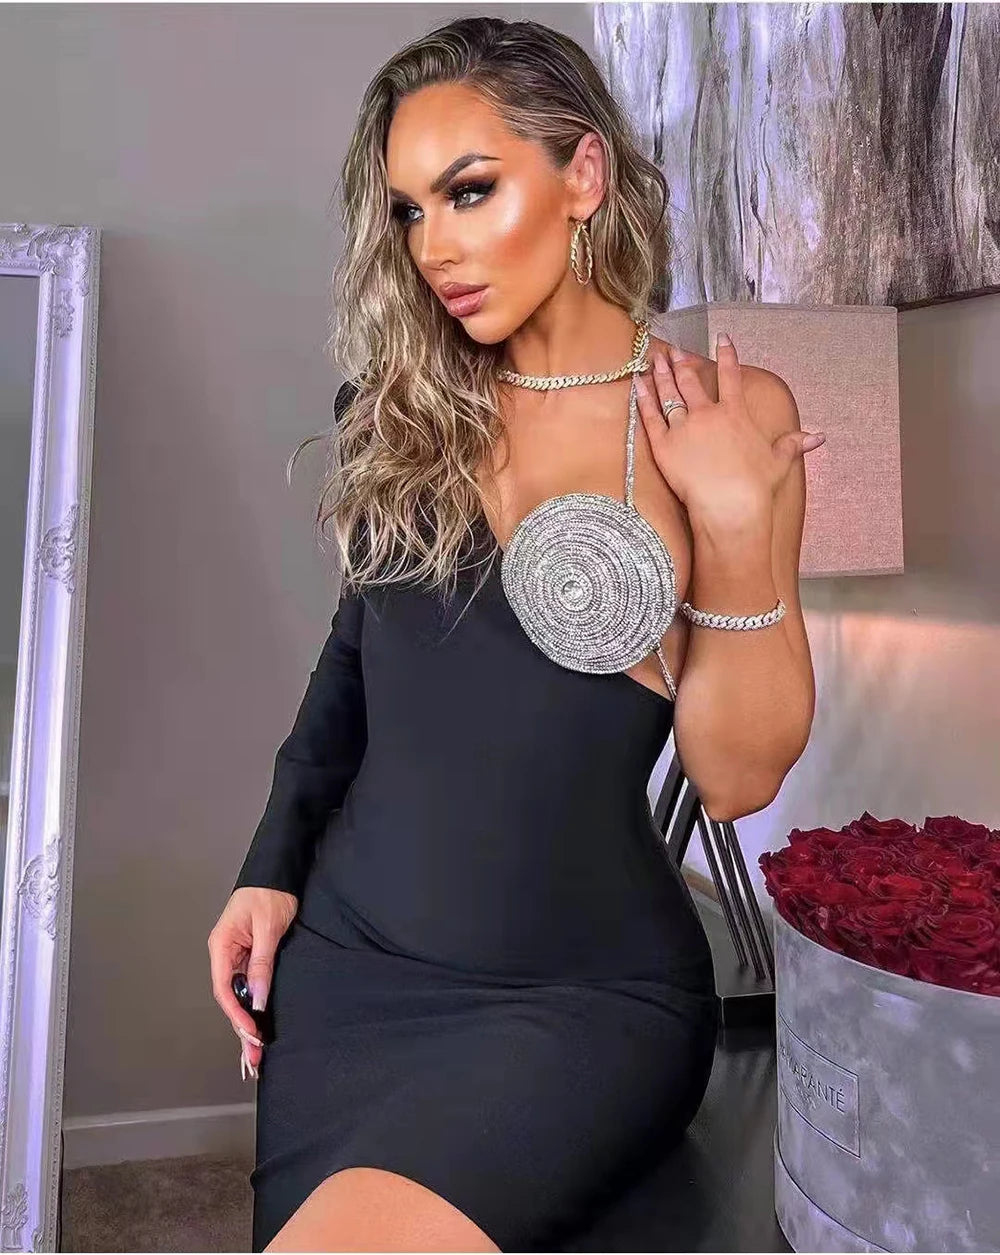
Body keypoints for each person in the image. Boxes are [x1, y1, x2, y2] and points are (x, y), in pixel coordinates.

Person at [207, 16, 821, 1252]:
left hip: (580, 998)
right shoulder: (398, 412)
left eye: (469, 191)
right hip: (347, 969)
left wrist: (734, 522)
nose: (432, 246)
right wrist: (269, 866)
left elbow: (734, 778)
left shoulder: (727, 413)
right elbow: (352, 668)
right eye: (408, 211)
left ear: (582, 174)